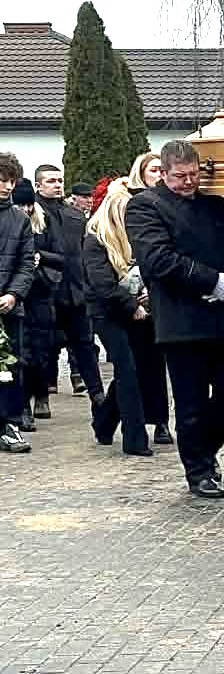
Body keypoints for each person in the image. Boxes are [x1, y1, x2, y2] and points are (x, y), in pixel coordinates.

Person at [125, 140, 224, 497]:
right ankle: (198, 470)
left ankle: (205, 449)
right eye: (180, 177)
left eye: (194, 175)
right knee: (191, 402)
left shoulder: (216, 206)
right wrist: (210, 279)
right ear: (163, 173)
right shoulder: (145, 206)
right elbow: (157, 259)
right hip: (181, 322)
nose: (188, 183)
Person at [84, 179, 171, 455]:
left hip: (139, 311)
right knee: (128, 371)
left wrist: (148, 296)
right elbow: (102, 285)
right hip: (108, 314)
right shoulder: (96, 240)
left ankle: (104, 421)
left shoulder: (136, 237)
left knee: (134, 369)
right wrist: (132, 305)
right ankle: (135, 439)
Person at [34, 164, 106, 407]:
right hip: (45, 290)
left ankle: (97, 393)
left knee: (85, 344)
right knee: (43, 346)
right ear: (38, 185)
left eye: (59, 180)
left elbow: (82, 253)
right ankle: (41, 397)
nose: (57, 185)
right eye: (51, 181)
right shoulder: (31, 214)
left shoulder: (74, 215)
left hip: (75, 290)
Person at [11, 179, 56, 430]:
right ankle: (23, 405)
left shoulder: (43, 224)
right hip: (18, 295)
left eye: (29, 205)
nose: (25, 210)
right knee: (20, 353)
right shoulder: (11, 223)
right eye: (21, 205)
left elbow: (62, 256)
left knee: (41, 350)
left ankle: (41, 394)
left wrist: (42, 259)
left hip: (40, 293)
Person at [0, 155, 35, 453]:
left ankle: (9, 423)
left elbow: (27, 264)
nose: (6, 186)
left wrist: (13, 295)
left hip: (9, 307)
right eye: (1, 179)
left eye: (10, 180)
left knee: (10, 367)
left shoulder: (19, 219)